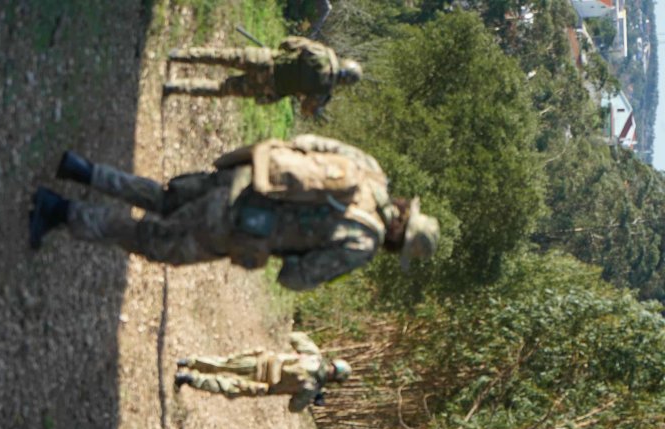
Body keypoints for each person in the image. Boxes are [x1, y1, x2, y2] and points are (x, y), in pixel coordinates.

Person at [28, 134, 439, 291]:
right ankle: (60, 210)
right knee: (152, 241)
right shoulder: (362, 243)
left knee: (166, 197)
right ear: (398, 243)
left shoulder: (371, 171)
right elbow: (293, 279)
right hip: (235, 225)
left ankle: (82, 170)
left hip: (246, 174)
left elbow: (308, 140)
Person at [164, 36, 362, 117]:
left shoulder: (323, 52)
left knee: (221, 56)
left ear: (345, 62)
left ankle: (180, 55)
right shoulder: (323, 92)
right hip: (268, 86)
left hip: (265, 60)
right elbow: (305, 109)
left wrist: (283, 53)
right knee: (222, 88)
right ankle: (175, 87)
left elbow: (288, 42)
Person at [174, 332, 350, 412]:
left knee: (222, 364)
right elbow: (294, 407)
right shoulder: (312, 388)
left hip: (262, 360)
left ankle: (188, 362)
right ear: (334, 380)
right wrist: (311, 397)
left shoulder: (313, 355)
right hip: (260, 384)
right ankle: (188, 378)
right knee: (226, 386)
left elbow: (295, 336)